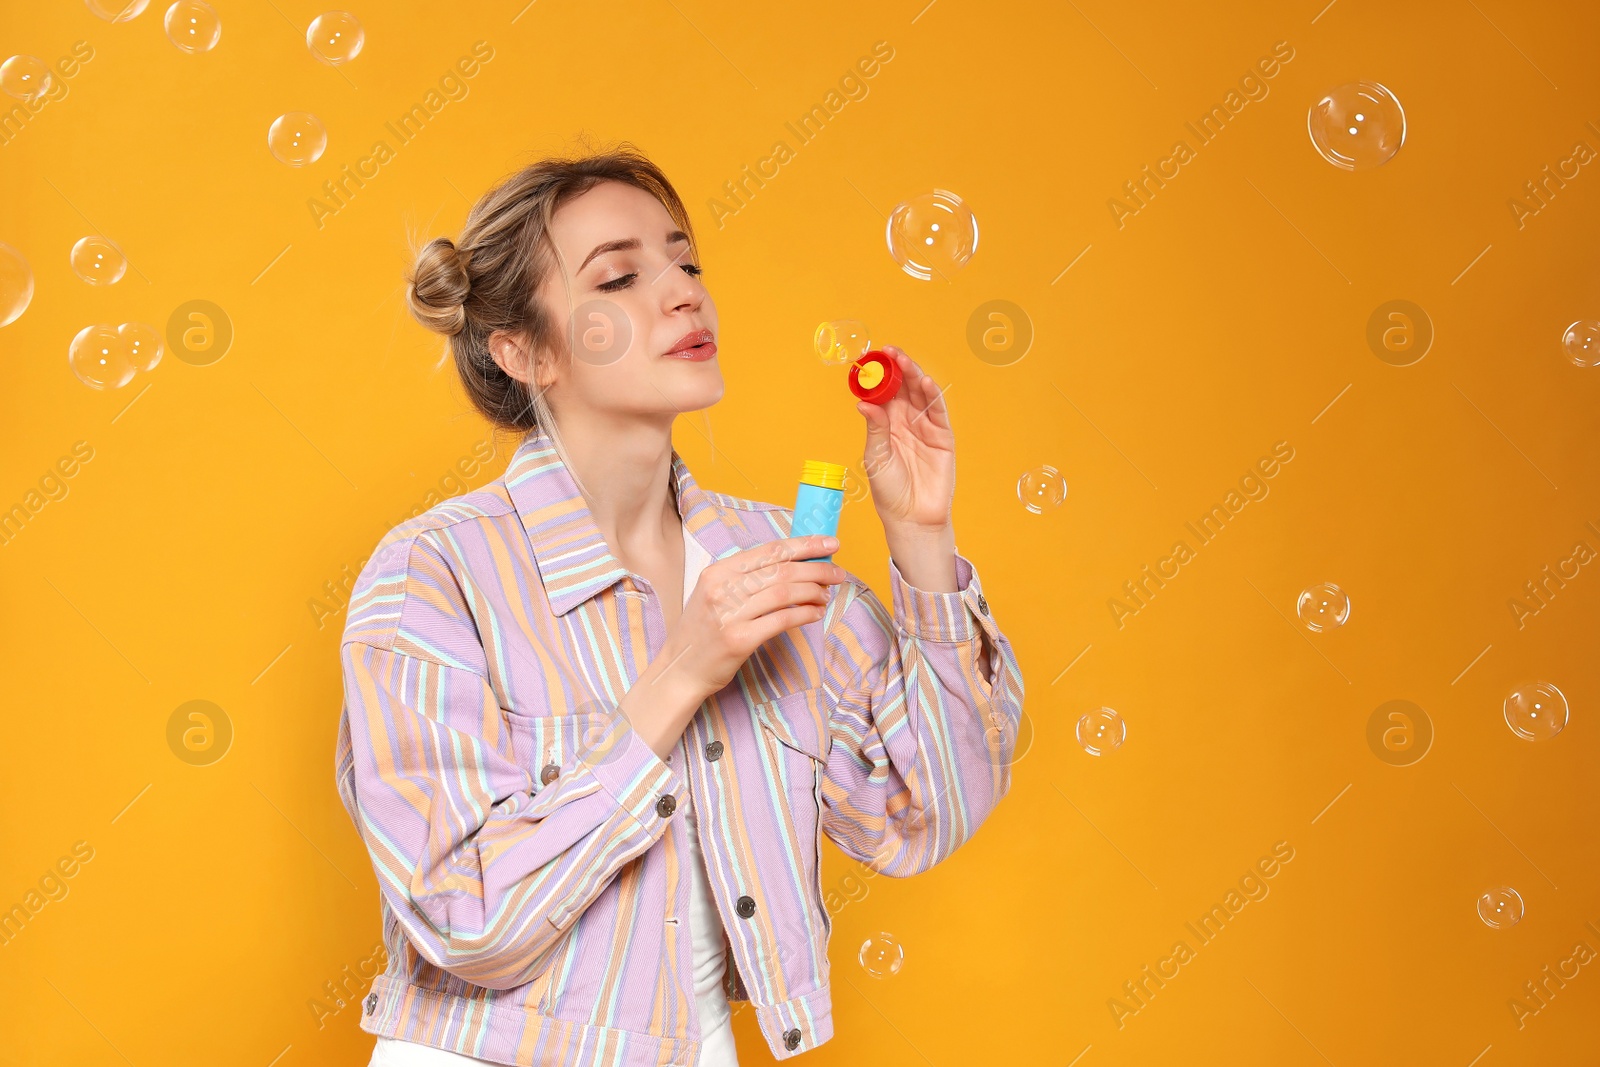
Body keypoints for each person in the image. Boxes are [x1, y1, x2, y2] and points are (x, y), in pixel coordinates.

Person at [334, 142, 1025, 1067]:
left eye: (686, 260)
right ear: (524, 349)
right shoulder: (436, 572)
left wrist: (922, 537)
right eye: (619, 277)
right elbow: (468, 920)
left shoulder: (768, 560)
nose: (682, 292)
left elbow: (924, 809)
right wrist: (681, 672)